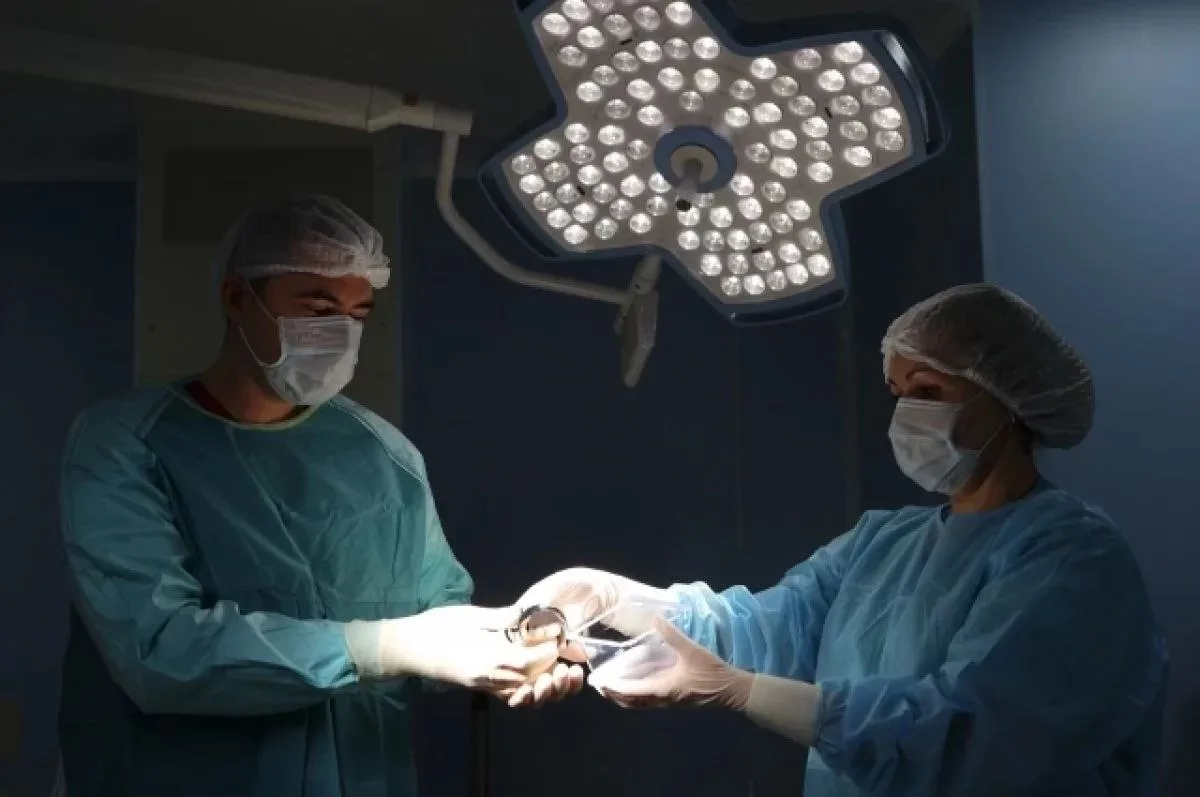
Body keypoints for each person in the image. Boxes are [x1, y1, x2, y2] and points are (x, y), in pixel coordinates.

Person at [513, 285, 1168, 796]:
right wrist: (612, 597)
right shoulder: (881, 544)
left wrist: (742, 691)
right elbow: (763, 627)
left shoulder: (1072, 557)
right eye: (898, 392)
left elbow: (970, 737)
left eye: (930, 391)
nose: (907, 413)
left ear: (1007, 399)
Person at [57, 195, 560, 797]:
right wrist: (377, 647)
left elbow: (438, 614)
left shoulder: (384, 455)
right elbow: (159, 648)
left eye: (358, 313)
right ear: (237, 298)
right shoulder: (127, 443)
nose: (340, 333)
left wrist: (519, 649)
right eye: (318, 310)